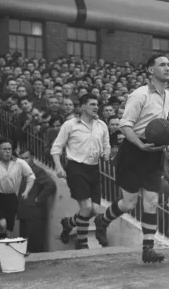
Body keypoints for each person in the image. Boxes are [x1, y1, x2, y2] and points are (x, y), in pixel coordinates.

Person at [94, 54, 169, 263]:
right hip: (134, 150)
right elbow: (125, 124)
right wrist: (139, 143)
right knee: (129, 203)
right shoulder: (139, 95)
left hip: (154, 152)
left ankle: (148, 249)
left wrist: (164, 140)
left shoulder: (168, 95)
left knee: (152, 201)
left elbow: (160, 127)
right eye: (162, 65)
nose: (167, 68)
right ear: (150, 70)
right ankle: (102, 220)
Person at [51, 93, 110, 249]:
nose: (96, 107)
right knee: (86, 208)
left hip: (94, 168)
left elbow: (106, 145)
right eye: (92, 104)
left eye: (97, 105)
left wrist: (107, 153)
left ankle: (68, 223)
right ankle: (82, 244)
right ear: (83, 107)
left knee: (95, 209)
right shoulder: (70, 125)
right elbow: (56, 147)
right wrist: (58, 166)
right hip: (76, 167)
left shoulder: (102, 125)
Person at [0, 137, 36, 238]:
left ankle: (0, 247)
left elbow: (31, 176)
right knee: (2, 224)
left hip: (11, 198)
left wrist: (26, 191)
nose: (7, 152)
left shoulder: (19, 163)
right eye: (4, 149)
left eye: (9, 149)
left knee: (9, 228)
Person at [18, 148, 56, 252]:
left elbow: (50, 185)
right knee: (24, 244)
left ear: (32, 158)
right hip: (24, 212)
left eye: (26, 158)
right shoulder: (22, 171)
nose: (24, 161)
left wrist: (39, 199)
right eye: (22, 159)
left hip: (35, 213)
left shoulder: (37, 171)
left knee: (34, 245)